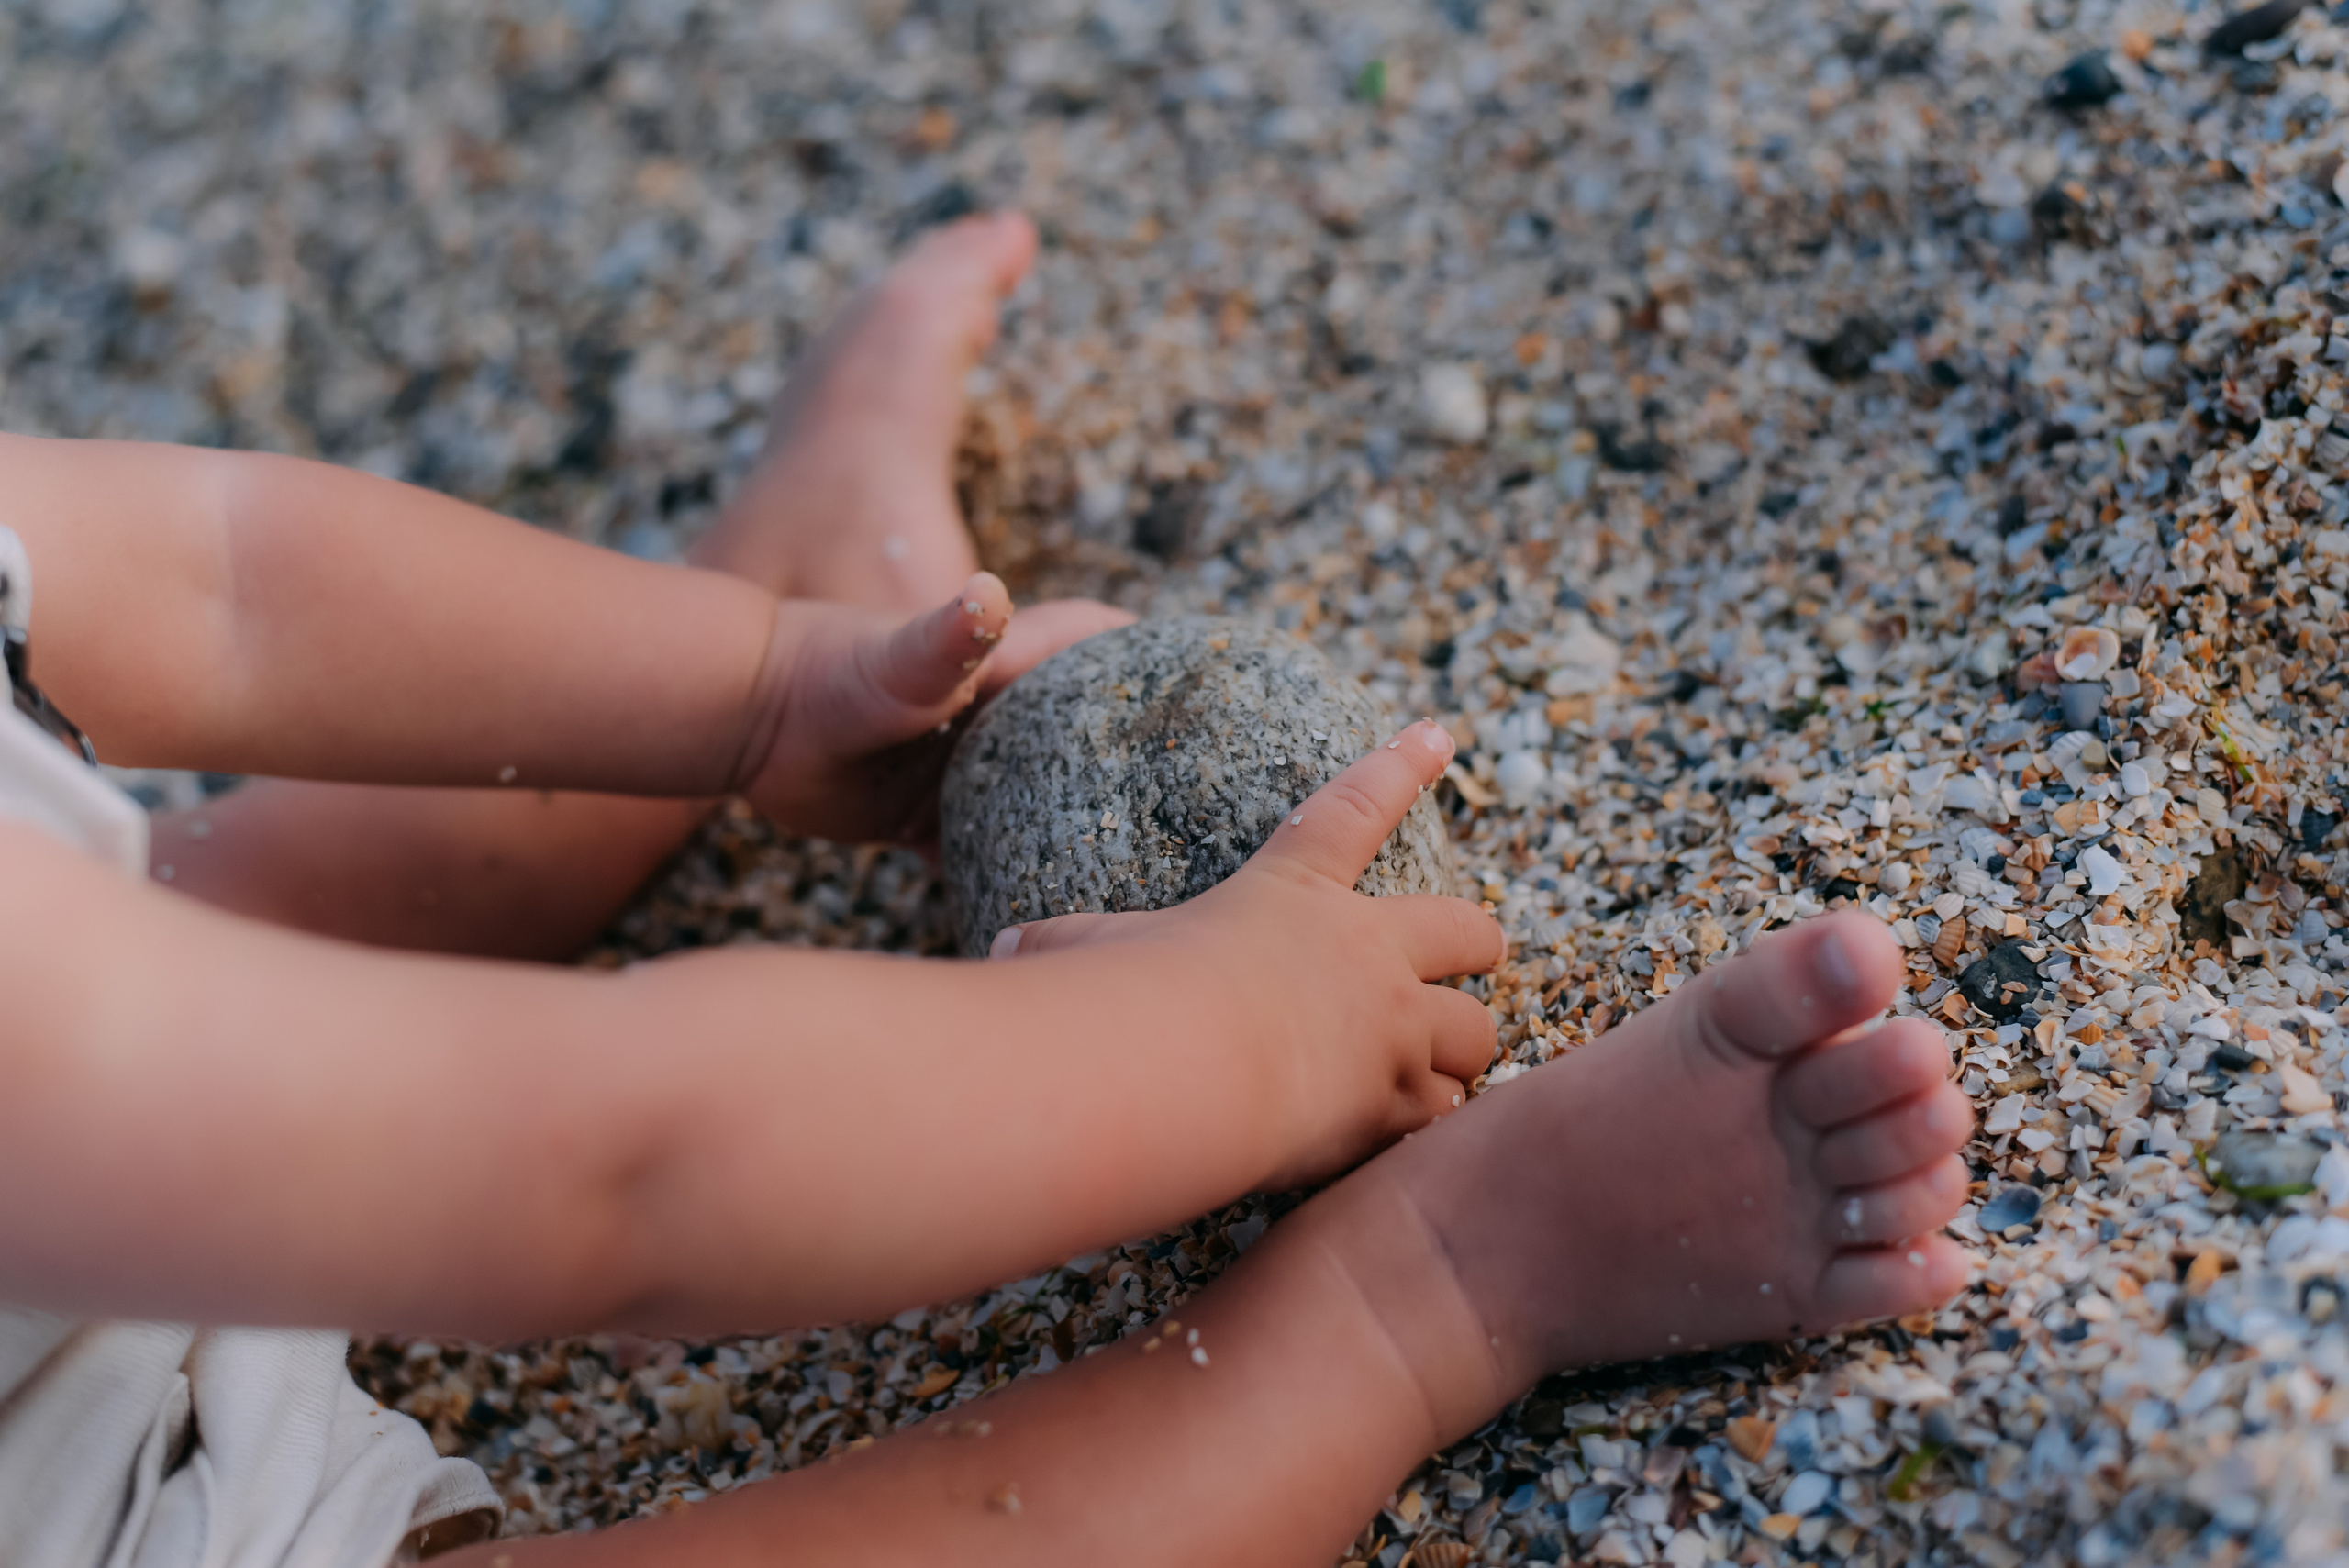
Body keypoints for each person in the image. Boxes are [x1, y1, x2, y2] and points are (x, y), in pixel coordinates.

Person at [0, 212, 1976, 1568]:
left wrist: (754, 681)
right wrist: (1225, 1033)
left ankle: (790, 559)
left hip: (86, 1148)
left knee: (215, 892)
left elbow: (215, 578)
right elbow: (611, 1171)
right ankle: (1440, 1291)